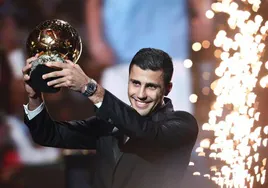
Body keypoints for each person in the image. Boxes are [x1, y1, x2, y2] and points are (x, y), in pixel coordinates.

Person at [22, 48, 198, 188]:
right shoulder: (108, 125)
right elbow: (48, 135)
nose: (141, 94)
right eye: (136, 83)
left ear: (167, 89)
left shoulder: (182, 124)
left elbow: (144, 131)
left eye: (151, 87)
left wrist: (89, 88)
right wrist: (34, 96)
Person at [86, 0, 212, 113]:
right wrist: (95, 41)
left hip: (170, 54)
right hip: (119, 57)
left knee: (174, 132)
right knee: (116, 132)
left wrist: (205, 16)